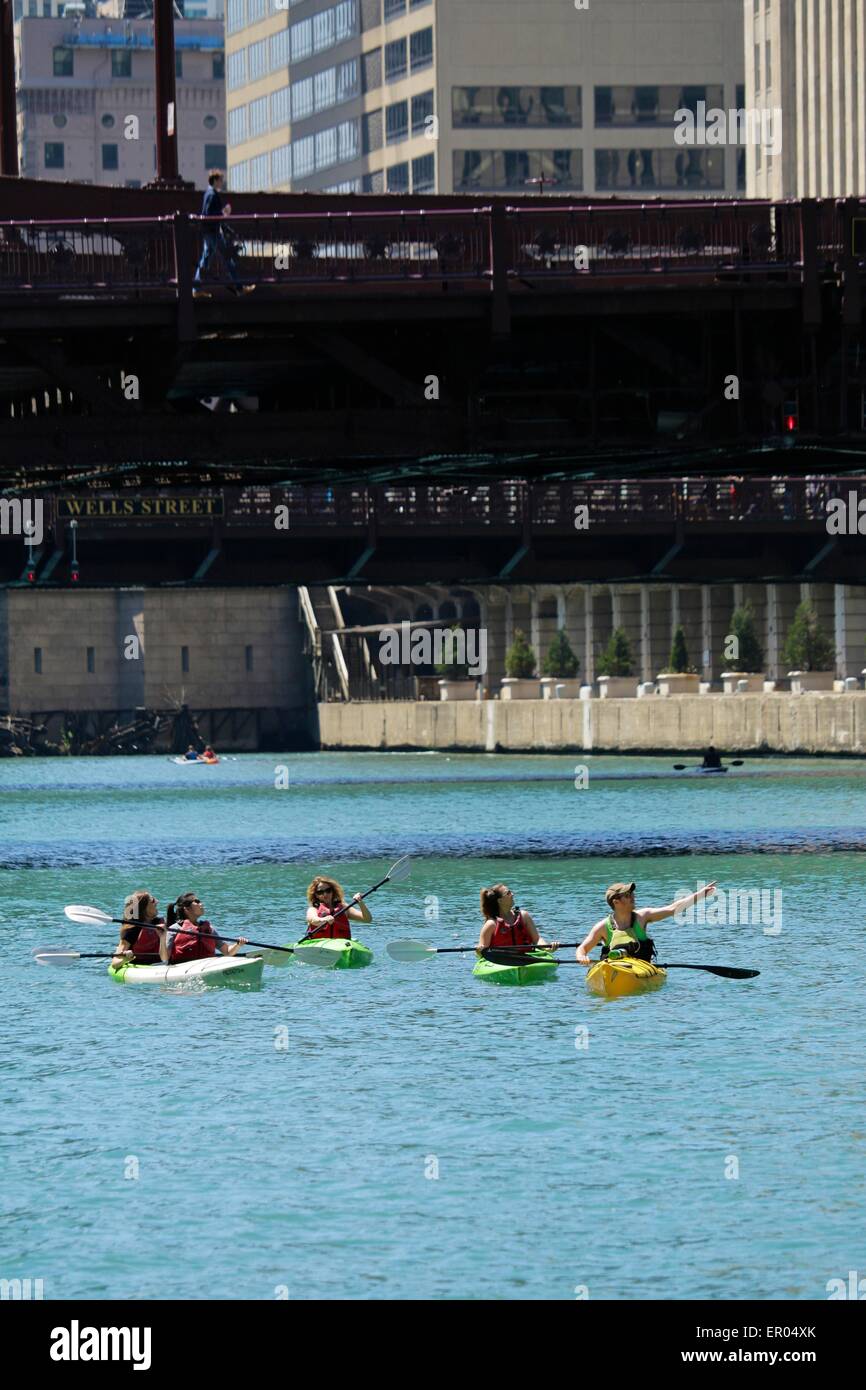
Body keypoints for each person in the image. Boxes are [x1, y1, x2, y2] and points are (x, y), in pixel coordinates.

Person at [575, 880, 717, 966]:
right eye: (627, 895)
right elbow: (582, 949)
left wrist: (700, 894)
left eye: (632, 894)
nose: (633, 897)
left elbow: (672, 908)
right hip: (614, 968)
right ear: (616, 902)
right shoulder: (602, 927)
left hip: (640, 968)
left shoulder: (642, 917)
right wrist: (582, 957)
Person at [193, 170, 254, 298]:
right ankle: (239, 288)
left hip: (210, 232)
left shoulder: (209, 193)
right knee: (226, 259)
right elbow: (209, 215)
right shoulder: (212, 194)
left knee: (207, 260)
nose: (222, 182)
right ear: (215, 180)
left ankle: (196, 289)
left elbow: (207, 213)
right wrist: (224, 213)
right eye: (220, 180)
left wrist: (221, 214)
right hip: (213, 232)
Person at [476, 884, 559, 954]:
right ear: (500, 901)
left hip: (526, 957)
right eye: (508, 893)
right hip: (500, 960)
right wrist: (479, 951)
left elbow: (537, 940)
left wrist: (548, 948)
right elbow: (481, 953)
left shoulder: (524, 916)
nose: (512, 894)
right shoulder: (491, 924)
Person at [167, 892, 248, 963]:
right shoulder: (174, 929)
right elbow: (165, 957)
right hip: (183, 967)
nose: (201, 904)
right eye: (197, 902)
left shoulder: (209, 929)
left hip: (206, 966)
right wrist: (162, 935)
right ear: (187, 908)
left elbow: (227, 952)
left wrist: (238, 944)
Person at [111, 891, 169, 968]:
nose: (157, 902)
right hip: (140, 966)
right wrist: (125, 959)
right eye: (152, 900)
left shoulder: (159, 923)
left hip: (159, 964)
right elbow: (115, 964)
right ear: (143, 907)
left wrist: (162, 936)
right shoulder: (132, 930)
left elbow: (165, 960)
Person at [303, 875, 372, 940]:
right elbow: (313, 920)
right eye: (320, 892)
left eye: (328, 890)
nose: (325, 894)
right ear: (316, 895)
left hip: (341, 944)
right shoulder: (313, 909)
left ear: (333, 891)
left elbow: (367, 919)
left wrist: (360, 902)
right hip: (319, 945)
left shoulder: (343, 907)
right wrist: (324, 920)